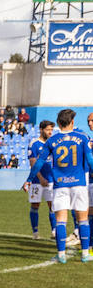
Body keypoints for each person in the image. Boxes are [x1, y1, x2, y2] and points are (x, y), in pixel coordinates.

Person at [38, 108, 91, 263]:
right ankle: (85, 254)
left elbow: (39, 162)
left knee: (61, 220)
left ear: (59, 123)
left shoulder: (51, 141)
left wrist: (29, 178)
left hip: (60, 185)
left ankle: (61, 255)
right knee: (83, 220)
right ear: (72, 122)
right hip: (79, 183)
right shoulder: (82, 137)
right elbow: (90, 160)